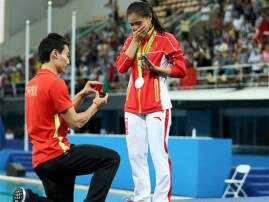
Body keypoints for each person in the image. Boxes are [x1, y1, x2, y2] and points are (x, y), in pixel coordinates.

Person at [12, 33, 120, 202]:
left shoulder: (32, 84)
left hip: (41, 162)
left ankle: (30, 199)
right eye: (67, 55)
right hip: (58, 154)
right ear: (55, 54)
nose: (68, 61)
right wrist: (96, 105)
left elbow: (59, 110)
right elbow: (75, 122)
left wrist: (82, 94)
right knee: (111, 159)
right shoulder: (55, 83)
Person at [115, 1, 186, 202]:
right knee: (136, 156)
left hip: (157, 106)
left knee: (158, 155)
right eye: (131, 25)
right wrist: (135, 42)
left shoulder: (166, 39)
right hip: (132, 107)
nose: (135, 28)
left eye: (138, 23)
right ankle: (142, 198)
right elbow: (121, 67)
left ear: (149, 17)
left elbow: (181, 70)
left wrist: (157, 69)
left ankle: (162, 199)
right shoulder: (130, 41)